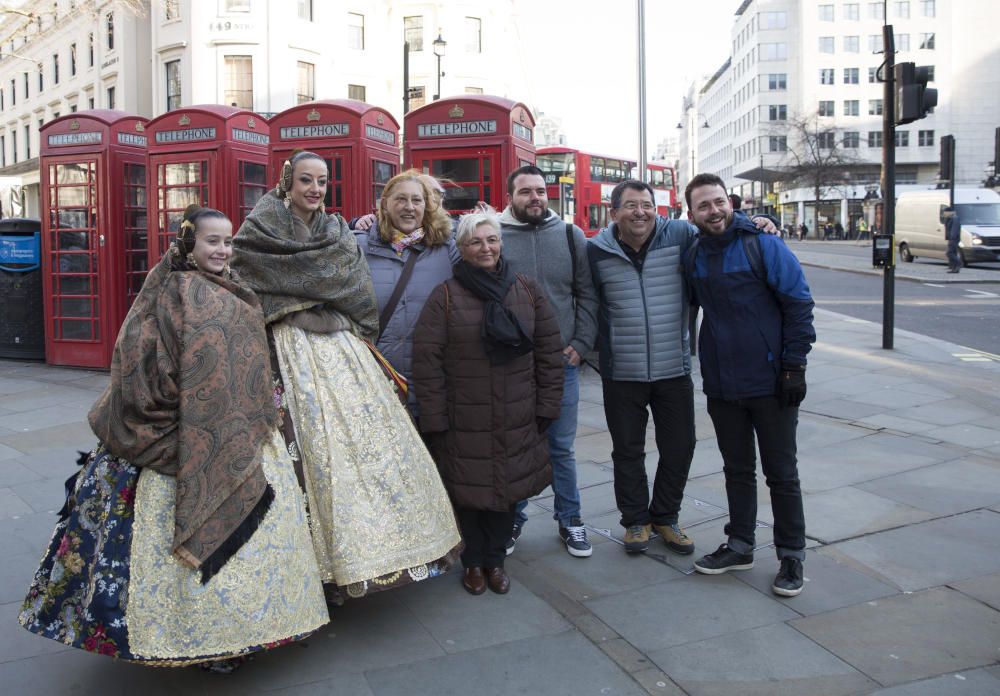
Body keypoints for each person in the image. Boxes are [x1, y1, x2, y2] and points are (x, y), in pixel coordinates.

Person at [19, 206, 329, 670]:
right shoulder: (171, 291)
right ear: (189, 244)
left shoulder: (236, 289)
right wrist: (189, 415)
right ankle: (197, 643)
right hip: (179, 436)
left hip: (237, 433)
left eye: (228, 242)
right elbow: (139, 357)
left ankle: (243, 632)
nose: (223, 250)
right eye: (212, 241)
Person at [231, 152, 461, 602]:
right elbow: (243, 277)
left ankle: (365, 555)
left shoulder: (338, 231)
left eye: (322, 182)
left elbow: (352, 289)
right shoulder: (260, 226)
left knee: (356, 452)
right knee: (300, 459)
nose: (314, 189)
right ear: (287, 183)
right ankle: (308, 568)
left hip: (339, 350)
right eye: (305, 181)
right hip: (283, 349)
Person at [413, 213, 563, 595]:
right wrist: (434, 417)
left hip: (517, 412)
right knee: (468, 493)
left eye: (492, 240)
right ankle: (473, 563)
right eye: (476, 242)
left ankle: (495, 561)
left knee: (506, 494)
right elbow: (427, 362)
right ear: (462, 249)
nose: (486, 248)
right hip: (465, 416)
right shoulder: (445, 295)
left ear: (501, 243)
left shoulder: (526, 290)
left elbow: (548, 350)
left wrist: (548, 404)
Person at [682, 173, 816, 598]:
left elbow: (798, 303)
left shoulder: (763, 243)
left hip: (771, 381)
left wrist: (794, 366)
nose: (713, 211)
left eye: (719, 202)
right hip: (723, 384)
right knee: (737, 470)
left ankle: (791, 554)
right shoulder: (694, 254)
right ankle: (740, 544)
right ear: (691, 214)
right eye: (703, 206)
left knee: (782, 473)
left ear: (731, 202)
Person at [587, 180, 698, 555]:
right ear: (614, 212)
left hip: (673, 367)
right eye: (631, 205)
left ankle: (665, 517)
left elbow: (721, 228)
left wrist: (758, 223)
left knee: (680, 446)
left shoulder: (680, 235)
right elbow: (586, 302)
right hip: (622, 371)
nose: (640, 212)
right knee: (627, 450)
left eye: (647, 204)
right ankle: (636, 520)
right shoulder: (596, 251)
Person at [499, 165, 599, 558]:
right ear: (512, 196)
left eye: (540, 191)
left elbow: (587, 294)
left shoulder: (571, 236)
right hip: (515, 364)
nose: (535, 198)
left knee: (561, 447)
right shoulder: (496, 236)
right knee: (518, 445)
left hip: (562, 362)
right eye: (525, 192)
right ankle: (515, 519)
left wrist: (582, 342)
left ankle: (570, 520)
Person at [354, 171, 457, 416]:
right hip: (375, 381)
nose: (409, 207)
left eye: (417, 200)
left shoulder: (448, 248)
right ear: (385, 205)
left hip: (431, 382)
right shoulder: (358, 246)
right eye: (400, 199)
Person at [945, 206, 962, 273]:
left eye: (945, 213)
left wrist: (952, 238)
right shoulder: (950, 218)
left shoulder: (955, 218)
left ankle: (959, 263)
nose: (944, 214)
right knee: (953, 252)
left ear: (950, 212)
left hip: (954, 239)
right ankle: (955, 268)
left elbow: (954, 230)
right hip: (952, 238)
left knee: (949, 253)